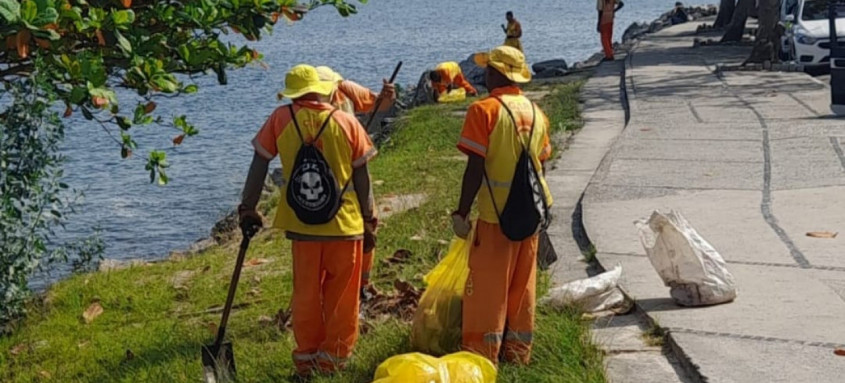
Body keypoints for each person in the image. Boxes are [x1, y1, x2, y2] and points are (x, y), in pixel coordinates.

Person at [238, 64, 377, 377]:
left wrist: (248, 207)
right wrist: (369, 217)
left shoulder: (281, 119)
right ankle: (334, 362)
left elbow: (260, 162)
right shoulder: (346, 121)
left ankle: (306, 362)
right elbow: (362, 176)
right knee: (342, 297)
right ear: (322, 89)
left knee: (306, 295)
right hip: (345, 227)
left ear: (292, 94)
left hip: (302, 227)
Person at [452, 46, 553, 365]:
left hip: (496, 217)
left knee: (487, 289)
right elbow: (541, 164)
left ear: (497, 73)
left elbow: (475, 167)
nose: (483, 73)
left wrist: (462, 211)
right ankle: (518, 353)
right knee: (522, 286)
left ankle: (482, 356)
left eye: (488, 69)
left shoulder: (483, 111)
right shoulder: (537, 112)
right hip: (532, 215)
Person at [315, 66, 395, 296]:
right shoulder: (307, 104)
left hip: (352, 170)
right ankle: (330, 286)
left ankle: (363, 285)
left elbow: (378, 103)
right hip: (324, 174)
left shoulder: (345, 89)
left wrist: (387, 95)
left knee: (368, 225)